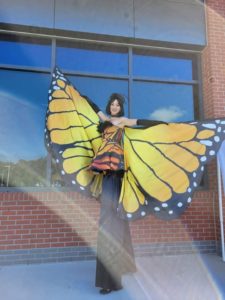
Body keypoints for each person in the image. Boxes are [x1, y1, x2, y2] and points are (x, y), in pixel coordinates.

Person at [87, 93, 167, 294]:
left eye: (117, 104)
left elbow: (142, 122)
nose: (114, 107)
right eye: (112, 104)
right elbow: (94, 107)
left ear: (121, 107)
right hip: (106, 176)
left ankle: (111, 280)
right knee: (116, 221)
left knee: (110, 224)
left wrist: (164, 125)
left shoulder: (123, 122)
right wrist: (79, 94)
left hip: (118, 177)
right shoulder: (106, 120)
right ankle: (126, 265)